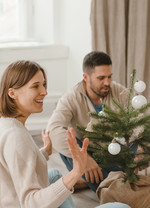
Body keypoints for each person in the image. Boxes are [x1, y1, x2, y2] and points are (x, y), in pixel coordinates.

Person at [0, 60, 89, 208]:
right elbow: (31, 203)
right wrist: (76, 173)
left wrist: (44, 152)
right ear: (12, 93)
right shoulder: (15, 135)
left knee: (54, 175)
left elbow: (14, 161)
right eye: (35, 86)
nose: (44, 92)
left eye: (43, 84)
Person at [47, 51, 128, 192]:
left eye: (109, 76)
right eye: (101, 78)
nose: (107, 82)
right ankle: (113, 184)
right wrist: (84, 159)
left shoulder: (119, 91)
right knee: (69, 143)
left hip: (115, 151)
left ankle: (89, 181)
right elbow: (54, 130)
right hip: (89, 152)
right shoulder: (70, 98)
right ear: (86, 77)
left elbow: (138, 119)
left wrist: (140, 148)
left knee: (133, 149)